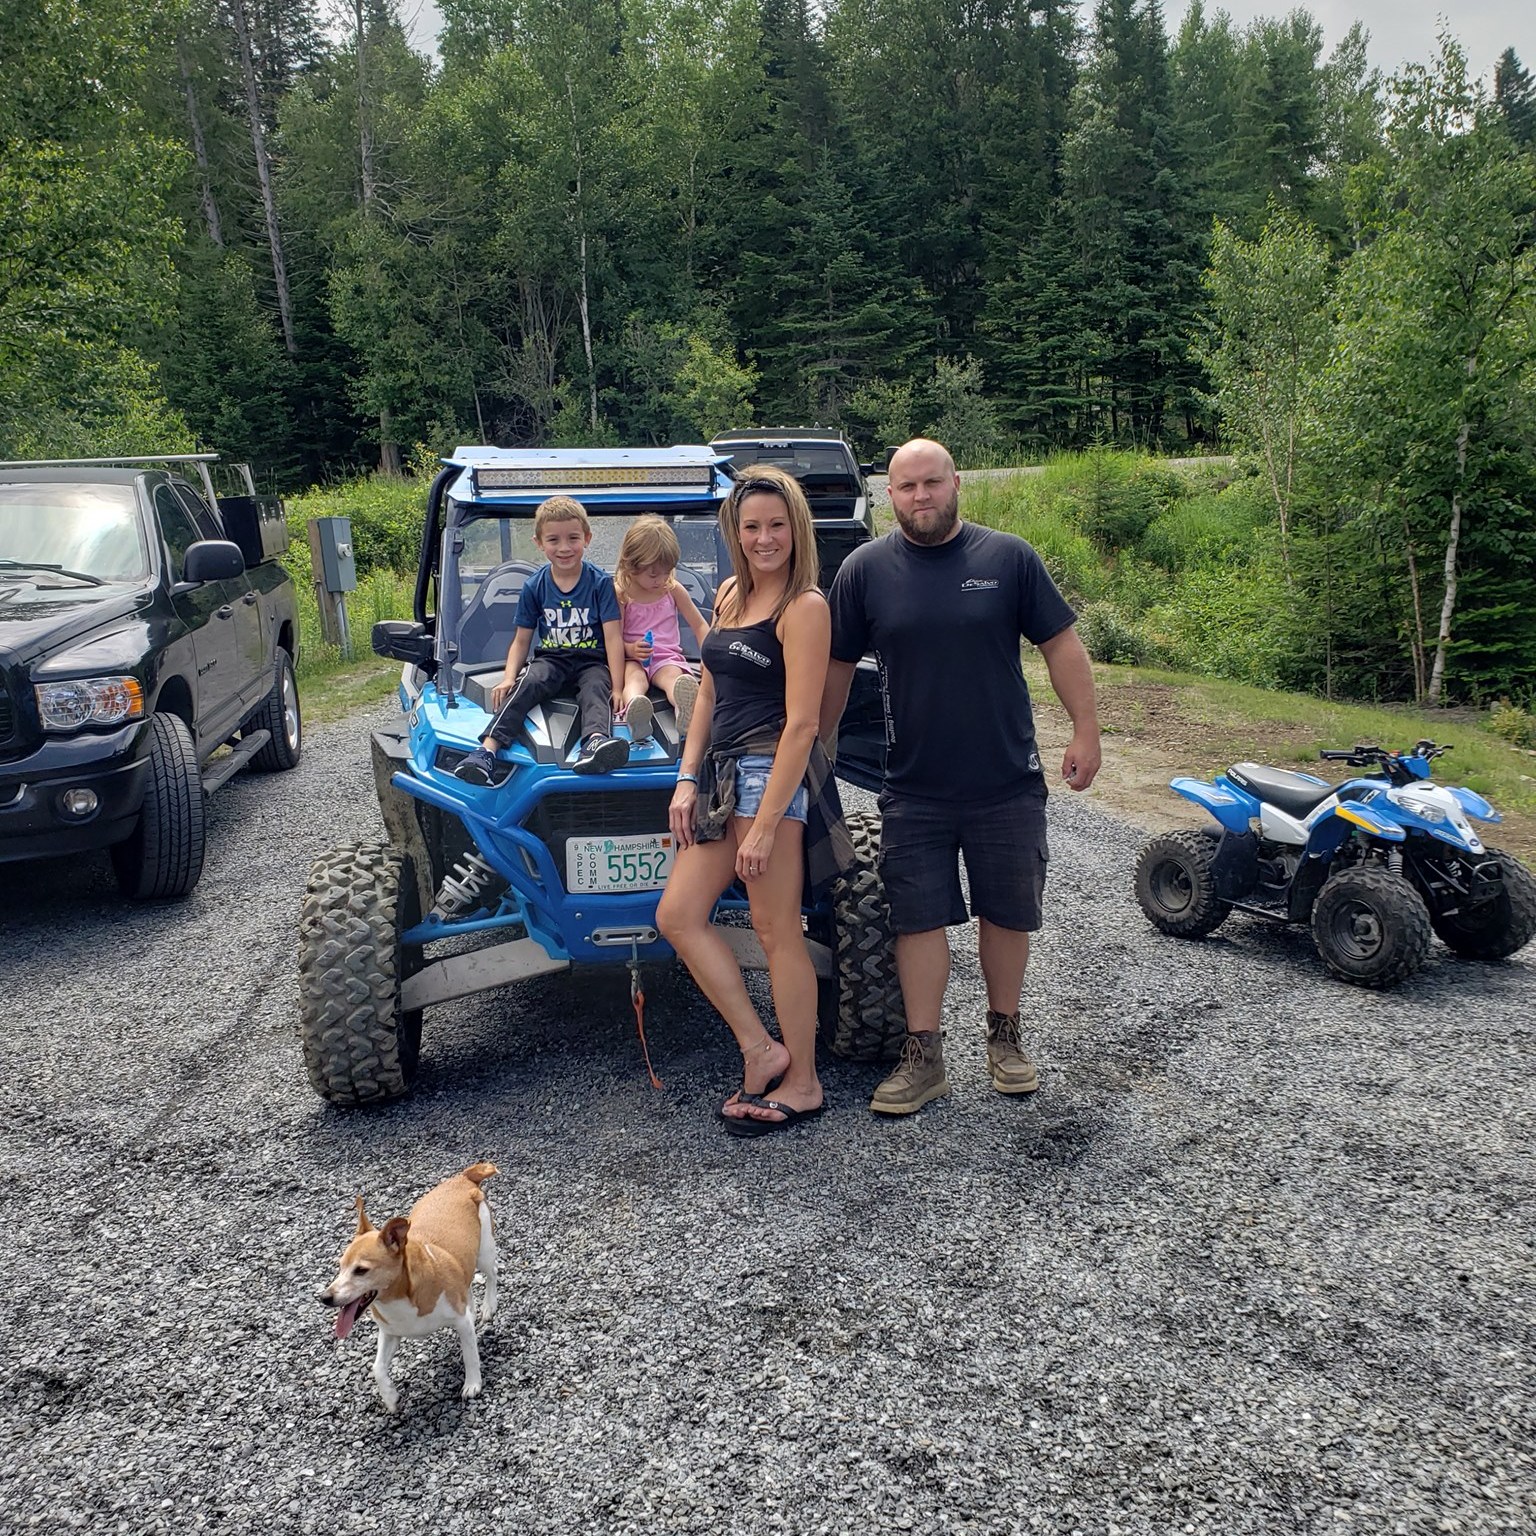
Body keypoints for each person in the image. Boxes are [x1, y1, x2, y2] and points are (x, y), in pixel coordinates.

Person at [819, 438, 1101, 1116]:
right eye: (907, 486)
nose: (922, 497)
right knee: (916, 921)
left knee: (1007, 912)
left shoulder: (1008, 559)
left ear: (956, 485)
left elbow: (1061, 645)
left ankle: (1005, 1038)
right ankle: (925, 1055)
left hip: (1006, 777)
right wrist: (815, 750)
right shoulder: (863, 571)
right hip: (913, 785)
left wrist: (1087, 731)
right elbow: (832, 668)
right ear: (889, 496)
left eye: (933, 483)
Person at [657, 465, 852, 1138]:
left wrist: (767, 825)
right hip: (716, 775)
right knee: (678, 915)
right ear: (735, 534)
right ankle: (759, 1046)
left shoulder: (805, 608)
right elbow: (707, 693)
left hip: (769, 776)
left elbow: (803, 724)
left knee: (775, 933)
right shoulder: (733, 594)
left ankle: (804, 1082)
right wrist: (685, 778)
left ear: (795, 530)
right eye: (751, 527)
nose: (764, 538)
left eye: (776, 525)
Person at [454, 495, 630, 783]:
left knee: (598, 688)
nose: (564, 548)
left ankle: (595, 743)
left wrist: (619, 687)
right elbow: (521, 640)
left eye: (573, 538)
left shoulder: (599, 583)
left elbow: (613, 637)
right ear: (539, 543)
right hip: (552, 659)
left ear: (587, 538)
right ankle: (487, 751)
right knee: (527, 683)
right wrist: (509, 677)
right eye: (553, 540)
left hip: (591, 661)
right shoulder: (534, 586)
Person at [613, 514, 708, 741]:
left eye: (667, 571)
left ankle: (684, 711)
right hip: (632, 659)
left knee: (673, 678)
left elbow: (700, 625)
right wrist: (630, 649)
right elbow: (613, 638)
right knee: (635, 680)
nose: (661, 579)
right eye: (653, 574)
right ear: (631, 565)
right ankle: (636, 711)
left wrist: (707, 656)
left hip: (667, 656)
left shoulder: (672, 589)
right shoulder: (621, 594)